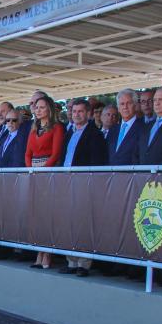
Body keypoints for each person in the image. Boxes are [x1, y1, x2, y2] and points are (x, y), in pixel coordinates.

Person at [59, 98, 108, 276]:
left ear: (87, 114)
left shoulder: (95, 135)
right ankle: (71, 261)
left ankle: (84, 263)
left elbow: (97, 162)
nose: (77, 114)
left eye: (80, 111)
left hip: (85, 185)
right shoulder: (69, 133)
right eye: (74, 112)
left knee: (83, 224)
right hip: (67, 183)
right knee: (69, 223)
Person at [25, 95, 66, 270]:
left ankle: (47, 253)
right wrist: (31, 171)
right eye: (37, 107)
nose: (39, 110)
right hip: (34, 172)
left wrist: (42, 171)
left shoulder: (56, 128)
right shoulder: (33, 129)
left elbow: (56, 154)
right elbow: (27, 153)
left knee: (48, 214)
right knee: (37, 215)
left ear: (49, 109)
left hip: (49, 172)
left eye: (42, 107)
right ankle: (38, 252)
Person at [108, 89, 145, 166]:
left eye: (129, 103)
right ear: (118, 108)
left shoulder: (143, 128)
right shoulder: (113, 130)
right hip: (111, 175)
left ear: (135, 105)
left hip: (132, 175)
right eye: (122, 104)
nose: (125, 107)